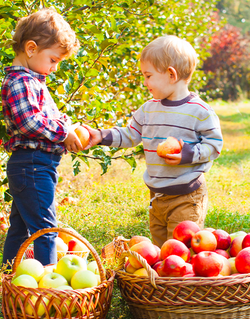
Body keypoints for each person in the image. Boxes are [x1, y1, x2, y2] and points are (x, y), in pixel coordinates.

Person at [83, 35, 223, 247]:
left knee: (180, 253)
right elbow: (130, 134)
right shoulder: (148, 109)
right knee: (160, 253)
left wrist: (187, 154)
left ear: (170, 74)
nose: (145, 82)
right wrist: (101, 136)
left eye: (148, 76)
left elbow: (214, 146)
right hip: (157, 196)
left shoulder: (200, 112)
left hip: (187, 195)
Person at [0, 8, 82, 268]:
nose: (55, 68)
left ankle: (8, 276)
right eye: (53, 60)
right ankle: (48, 285)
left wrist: (67, 125)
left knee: (21, 227)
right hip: (31, 164)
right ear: (32, 48)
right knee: (45, 229)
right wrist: (64, 132)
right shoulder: (20, 82)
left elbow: (48, 116)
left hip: (35, 165)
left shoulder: (34, 80)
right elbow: (30, 123)